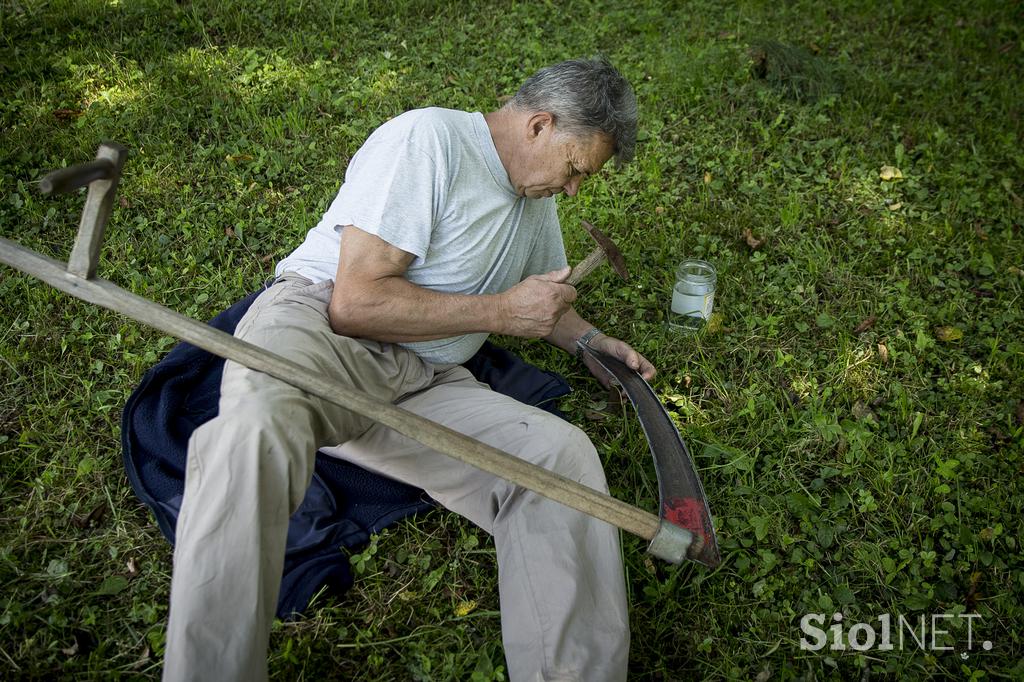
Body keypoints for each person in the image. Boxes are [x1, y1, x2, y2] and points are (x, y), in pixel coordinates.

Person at [163, 57, 656, 682]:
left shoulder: (536, 201)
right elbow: (356, 302)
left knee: (562, 458)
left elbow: (543, 306)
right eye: (576, 168)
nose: (576, 188)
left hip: (425, 378)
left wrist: (591, 342)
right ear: (539, 125)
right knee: (256, 431)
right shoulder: (429, 141)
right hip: (322, 332)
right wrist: (502, 312)